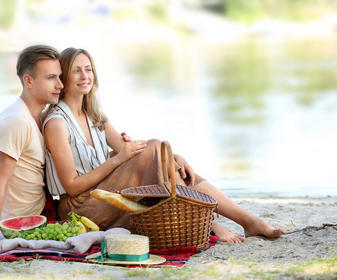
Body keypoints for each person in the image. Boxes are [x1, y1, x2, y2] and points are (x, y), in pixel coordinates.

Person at [43, 47, 286, 245]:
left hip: (105, 192)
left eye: (88, 69)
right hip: (82, 208)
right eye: (77, 71)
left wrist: (172, 156)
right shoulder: (57, 124)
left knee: (161, 154)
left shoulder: (95, 115)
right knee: (155, 149)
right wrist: (118, 160)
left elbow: (136, 152)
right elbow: (72, 187)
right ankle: (211, 223)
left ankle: (246, 221)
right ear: (64, 78)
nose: (85, 76)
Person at [0, 45, 63, 258]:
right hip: (20, 223)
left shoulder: (41, 117)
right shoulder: (16, 121)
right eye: (51, 77)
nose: (60, 84)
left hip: (44, 210)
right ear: (28, 81)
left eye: (59, 77)